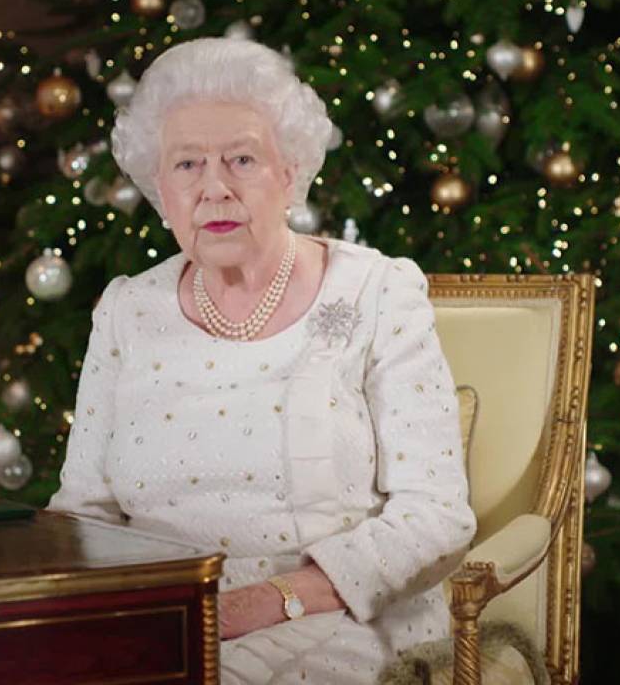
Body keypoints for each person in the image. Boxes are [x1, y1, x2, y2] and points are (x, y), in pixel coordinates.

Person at [48, 38, 476, 684]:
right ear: (159, 187)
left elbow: (435, 515)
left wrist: (274, 600)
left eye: (242, 159)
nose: (214, 188)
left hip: (340, 617)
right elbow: (84, 512)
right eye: (187, 164)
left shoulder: (377, 292)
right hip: (163, 618)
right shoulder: (127, 310)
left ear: (290, 172)